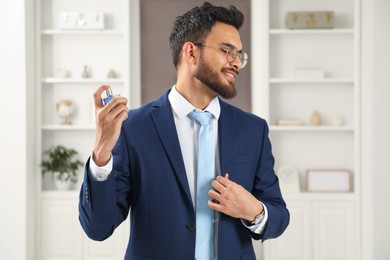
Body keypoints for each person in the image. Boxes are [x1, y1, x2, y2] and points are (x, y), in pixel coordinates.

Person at [79, 2, 289, 259]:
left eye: (240, 55)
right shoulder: (133, 128)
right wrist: (101, 153)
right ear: (191, 52)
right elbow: (98, 228)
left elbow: (279, 215)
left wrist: (254, 210)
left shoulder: (253, 130)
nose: (236, 63)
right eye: (227, 50)